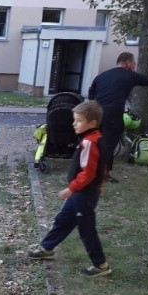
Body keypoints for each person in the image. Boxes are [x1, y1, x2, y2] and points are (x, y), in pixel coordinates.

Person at [28, 100, 111, 277]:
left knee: (86, 228)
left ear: (92, 123)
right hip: (82, 193)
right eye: (74, 120)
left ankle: (101, 265)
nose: (74, 124)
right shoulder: (95, 138)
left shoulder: (90, 142)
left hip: (84, 194)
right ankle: (47, 248)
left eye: (79, 121)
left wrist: (71, 189)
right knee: (63, 220)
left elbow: (88, 173)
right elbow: (102, 168)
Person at [88, 52, 148, 182]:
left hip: (96, 113)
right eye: (133, 64)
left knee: (95, 142)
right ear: (128, 62)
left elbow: (91, 96)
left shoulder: (101, 76)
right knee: (109, 145)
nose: (134, 67)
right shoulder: (129, 75)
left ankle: (90, 170)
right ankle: (102, 174)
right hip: (113, 113)